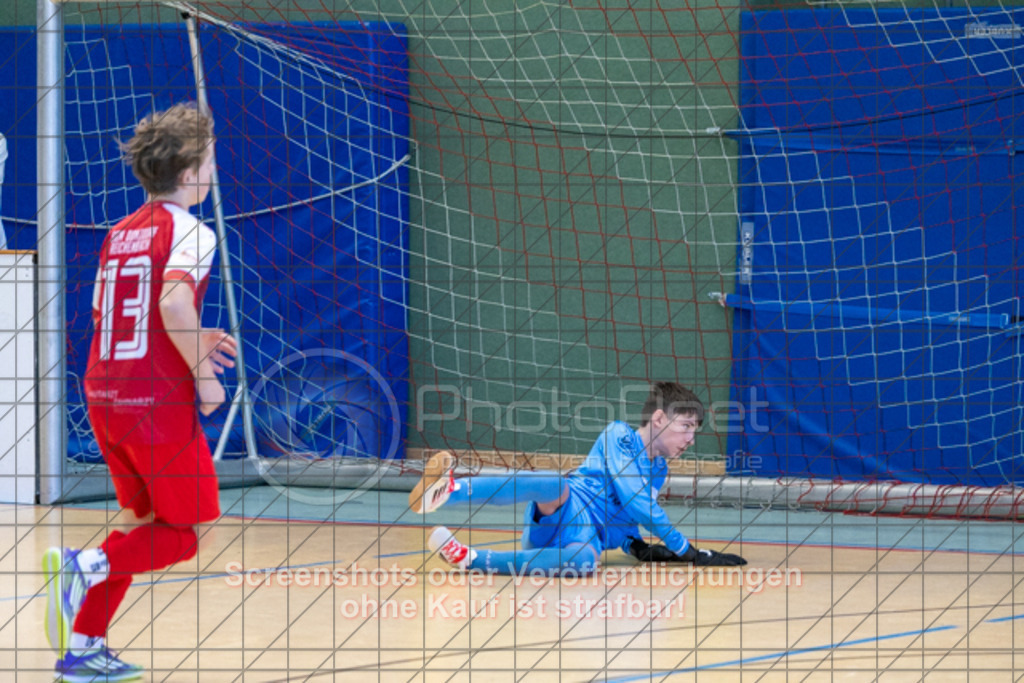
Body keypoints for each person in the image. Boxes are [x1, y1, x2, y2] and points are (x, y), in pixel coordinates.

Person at [42, 103, 237, 682]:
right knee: (189, 533)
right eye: (211, 161)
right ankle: (83, 565)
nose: (215, 171)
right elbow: (172, 303)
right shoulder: (191, 231)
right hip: (155, 406)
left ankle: (84, 648)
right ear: (190, 171)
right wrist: (204, 375)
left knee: (139, 520)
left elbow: (117, 316)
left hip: (106, 394)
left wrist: (191, 337)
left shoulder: (120, 232)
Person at [410, 382, 748, 575]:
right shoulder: (619, 435)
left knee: (587, 562)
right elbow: (636, 501)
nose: (690, 439)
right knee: (554, 484)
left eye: (694, 431)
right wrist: (686, 550)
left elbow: (626, 516)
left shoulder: (658, 470)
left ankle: (469, 559)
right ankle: (450, 490)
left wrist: (637, 546)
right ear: (659, 418)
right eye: (686, 427)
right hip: (564, 509)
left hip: (583, 539)